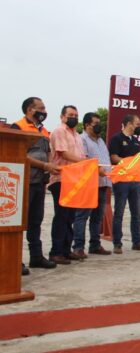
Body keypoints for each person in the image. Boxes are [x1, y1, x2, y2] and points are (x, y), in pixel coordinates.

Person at [11, 97, 58, 274]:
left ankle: (36, 257)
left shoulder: (44, 130)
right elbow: (16, 154)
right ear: (30, 109)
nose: (44, 111)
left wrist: (50, 165)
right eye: (41, 108)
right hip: (24, 180)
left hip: (40, 182)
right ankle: (15, 260)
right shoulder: (18, 127)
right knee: (19, 223)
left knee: (35, 221)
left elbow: (48, 152)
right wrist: (44, 165)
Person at [48, 105, 86, 264]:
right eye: (70, 115)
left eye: (76, 115)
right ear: (62, 117)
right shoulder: (59, 131)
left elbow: (80, 155)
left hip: (74, 181)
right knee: (61, 216)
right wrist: (86, 162)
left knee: (70, 217)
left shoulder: (77, 135)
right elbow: (63, 153)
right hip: (61, 179)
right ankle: (55, 252)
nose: (74, 118)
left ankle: (66, 250)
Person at [72, 112, 112, 259]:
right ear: (87, 125)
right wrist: (98, 170)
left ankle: (95, 245)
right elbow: (85, 161)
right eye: (95, 123)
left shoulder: (101, 141)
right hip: (88, 184)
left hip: (103, 183)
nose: (99, 126)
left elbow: (105, 160)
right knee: (82, 216)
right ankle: (78, 247)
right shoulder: (82, 140)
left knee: (97, 217)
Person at [108, 114, 140, 253]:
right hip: (122, 181)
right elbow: (113, 157)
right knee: (119, 212)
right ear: (128, 124)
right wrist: (127, 165)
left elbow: (138, 162)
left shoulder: (136, 141)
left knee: (136, 213)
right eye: (137, 124)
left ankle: (136, 242)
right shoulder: (116, 138)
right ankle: (117, 243)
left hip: (135, 181)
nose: (139, 127)